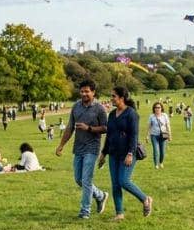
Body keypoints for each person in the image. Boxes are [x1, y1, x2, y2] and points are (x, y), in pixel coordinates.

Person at [55, 80, 109, 220]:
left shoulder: (99, 108)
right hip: (78, 147)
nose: (84, 94)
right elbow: (69, 127)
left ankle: (85, 211)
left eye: (87, 91)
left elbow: (105, 128)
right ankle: (100, 195)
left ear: (93, 92)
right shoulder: (76, 107)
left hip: (92, 147)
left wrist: (89, 128)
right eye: (82, 91)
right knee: (78, 179)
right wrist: (61, 145)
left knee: (86, 180)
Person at [99, 86, 152, 220]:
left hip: (127, 153)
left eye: (113, 96)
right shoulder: (111, 114)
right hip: (113, 153)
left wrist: (130, 153)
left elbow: (134, 136)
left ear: (121, 98)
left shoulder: (131, 114)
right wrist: (103, 154)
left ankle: (145, 199)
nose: (111, 99)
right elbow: (109, 135)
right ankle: (119, 213)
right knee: (115, 184)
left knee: (123, 180)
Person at [147, 102, 171, 170]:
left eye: (159, 107)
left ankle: (161, 162)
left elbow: (168, 125)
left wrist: (169, 135)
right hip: (154, 135)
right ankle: (156, 164)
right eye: (156, 107)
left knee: (162, 152)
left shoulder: (164, 115)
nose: (157, 109)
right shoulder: (151, 116)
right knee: (156, 150)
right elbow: (149, 126)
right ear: (154, 109)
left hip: (164, 135)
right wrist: (147, 136)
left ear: (161, 108)